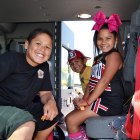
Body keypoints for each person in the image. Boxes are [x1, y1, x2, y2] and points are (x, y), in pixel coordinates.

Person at [65, 11, 124, 140]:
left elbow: (103, 82)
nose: (103, 42)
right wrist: (83, 100)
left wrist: (87, 102)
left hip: (110, 103)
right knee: (69, 119)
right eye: (100, 39)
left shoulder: (114, 56)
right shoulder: (98, 58)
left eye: (108, 38)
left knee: (70, 120)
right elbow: (91, 84)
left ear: (116, 39)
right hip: (99, 100)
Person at [0, 28, 62, 140]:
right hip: (3, 107)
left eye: (47, 47)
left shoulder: (44, 66)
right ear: (27, 45)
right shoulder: (11, 59)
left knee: (54, 113)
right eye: (38, 43)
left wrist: (50, 101)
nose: (42, 49)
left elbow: (45, 93)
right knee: (25, 123)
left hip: (24, 108)